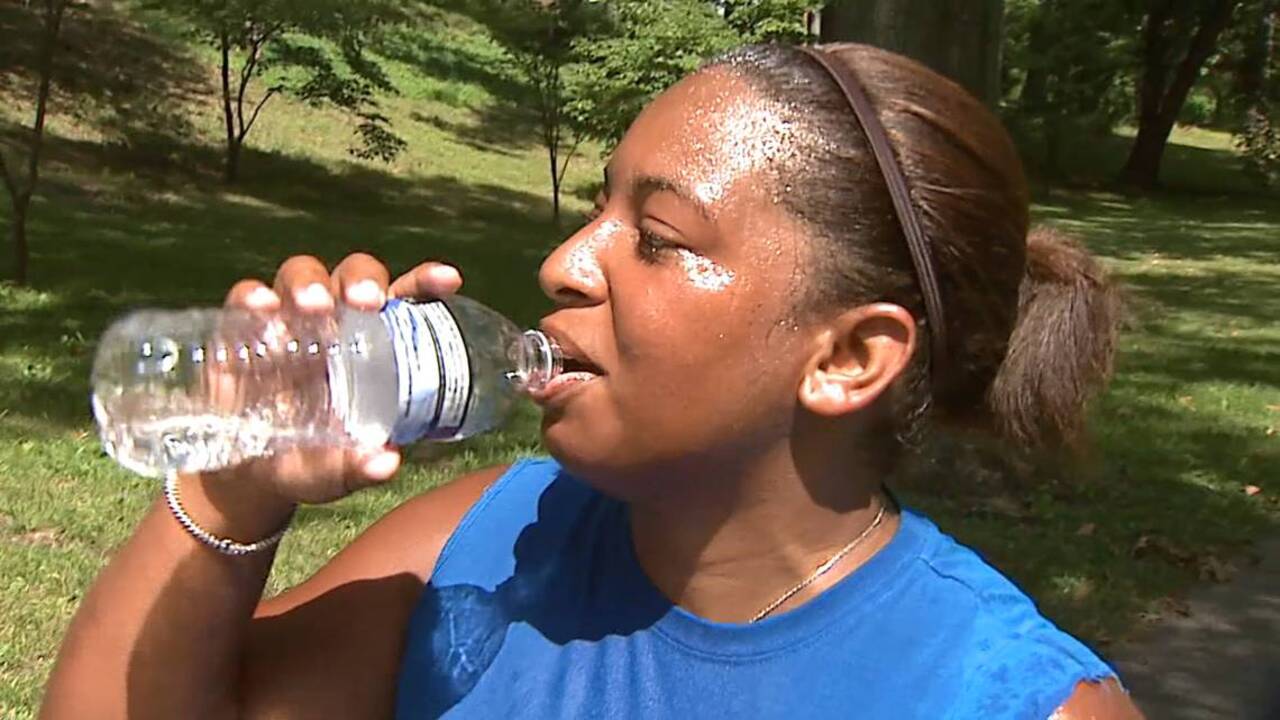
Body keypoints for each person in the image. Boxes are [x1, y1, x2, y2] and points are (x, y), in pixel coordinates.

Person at [40, 43, 1142, 719]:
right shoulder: (488, 540)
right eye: (594, 210)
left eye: (656, 237)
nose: (565, 263)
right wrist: (238, 488)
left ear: (848, 358)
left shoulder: (1004, 701)